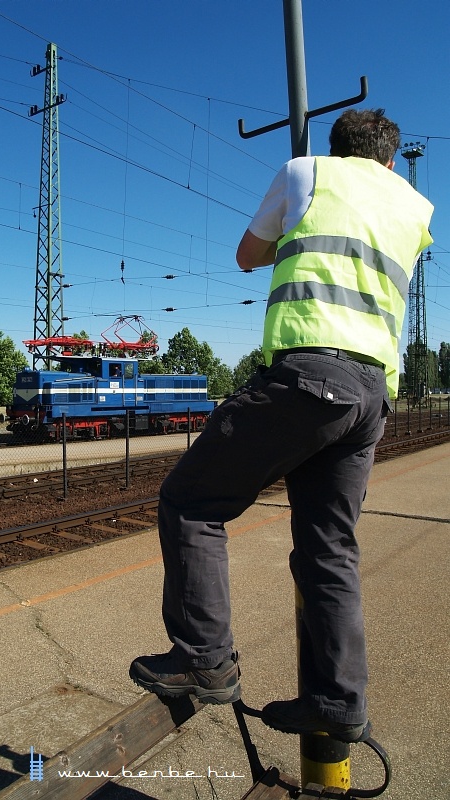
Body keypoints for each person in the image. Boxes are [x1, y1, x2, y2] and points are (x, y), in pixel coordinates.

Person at [129, 109, 433, 743]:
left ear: (337, 148)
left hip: (309, 375)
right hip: (371, 396)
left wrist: (288, 234)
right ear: (385, 158)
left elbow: (247, 255)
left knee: (190, 500)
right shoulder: (415, 206)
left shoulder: (306, 173)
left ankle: (203, 660)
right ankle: (339, 702)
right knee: (330, 551)